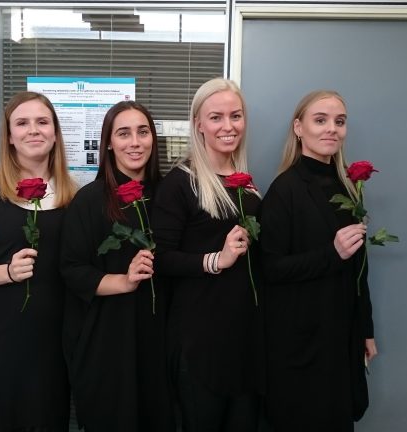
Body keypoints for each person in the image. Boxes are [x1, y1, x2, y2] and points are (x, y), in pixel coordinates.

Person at [0, 91, 77, 431]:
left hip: (50, 341)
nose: (33, 130)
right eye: (22, 123)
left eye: (42, 122)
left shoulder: (72, 193)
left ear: (55, 133)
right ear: (9, 136)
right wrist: (7, 272)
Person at [259, 90, 377, 431]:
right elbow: (271, 268)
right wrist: (331, 254)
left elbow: (359, 270)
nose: (331, 129)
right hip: (300, 340)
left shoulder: (348, 188)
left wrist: (365, 330)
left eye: (339, 122)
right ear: (299, 128)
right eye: (320, 120)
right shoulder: (284, 190)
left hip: (340, 336)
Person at [151, 78, 263, 432]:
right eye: (216, 117)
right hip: (200, 341)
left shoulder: (246, 183)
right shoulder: (180, 183)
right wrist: (217, 259)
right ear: (198, 123)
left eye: (236, 116)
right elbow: (161, 259)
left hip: (243, 339)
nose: (228, 126)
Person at [60, 101, 175, 432]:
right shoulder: (89, 200)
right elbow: (71, 269)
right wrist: (123, 281)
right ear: (108, 143)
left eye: (143, 132)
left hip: (161, 338)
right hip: (108, 340)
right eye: (123, 134)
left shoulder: (171, 194)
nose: (135, 142)